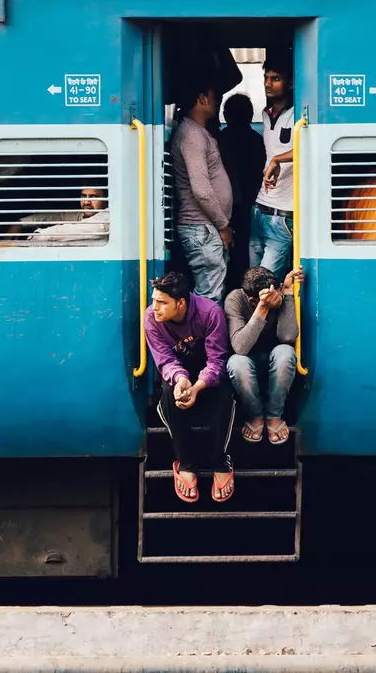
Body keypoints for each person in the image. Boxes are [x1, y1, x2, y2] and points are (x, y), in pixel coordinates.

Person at [143, 271, 234, 504]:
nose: (155, 308)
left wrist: (198, 386)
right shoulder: (151, 318)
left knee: (224, 394)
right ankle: (185, 463)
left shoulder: (210, 313)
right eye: (154, 301)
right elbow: (164, 359)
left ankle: (220, 461)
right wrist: (181, 380)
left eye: (162, 303)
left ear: (181, 302)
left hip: (208, 374)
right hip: (178, 374)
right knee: (167, 393)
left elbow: (216, 361)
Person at [170, 79, 234, 303]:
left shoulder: (197, 133)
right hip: (201, 228)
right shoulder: (192, 136)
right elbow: (202, 191)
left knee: (212, 289)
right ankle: (204, 339)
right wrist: (224, 226)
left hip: (204, 227)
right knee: (210, 295)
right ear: (202, 99)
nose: (217, 102)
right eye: (214, 97)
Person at [225, 266, 302, 446]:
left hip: (276, 361)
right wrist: (263, 307)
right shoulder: (235, 299)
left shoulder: (279, 293)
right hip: (249, 360)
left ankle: (274, 415)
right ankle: (256, 415)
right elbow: (240, 347)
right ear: (252, 299)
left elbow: (288, 336)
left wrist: (287, 294)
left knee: (286, 352)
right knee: (236, 362)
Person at [250, 61, 296, 277]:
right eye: (266, 78)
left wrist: (277, 160)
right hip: (260, 210)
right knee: (253, 281)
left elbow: (312, 147)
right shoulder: (266, 114)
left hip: (283, 215)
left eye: (275, 79)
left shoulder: (299, 115)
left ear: (291, 83)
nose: (268, 84)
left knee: (262, 284)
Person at [216, 95, 266, 288]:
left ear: (226, 115)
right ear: (250, 115)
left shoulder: (220, 139)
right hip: (254, 205)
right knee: (249, 254)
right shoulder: (258, 141)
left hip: (224, 208)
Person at [24, 187, 110, 244]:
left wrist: (37, 235)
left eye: (93, 197)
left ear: (106, 200)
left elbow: (68, 232)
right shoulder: (82, 214)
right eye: (84, 196)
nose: (87, 202)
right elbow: (58, 217)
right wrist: (20, 222)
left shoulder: (106, 218)